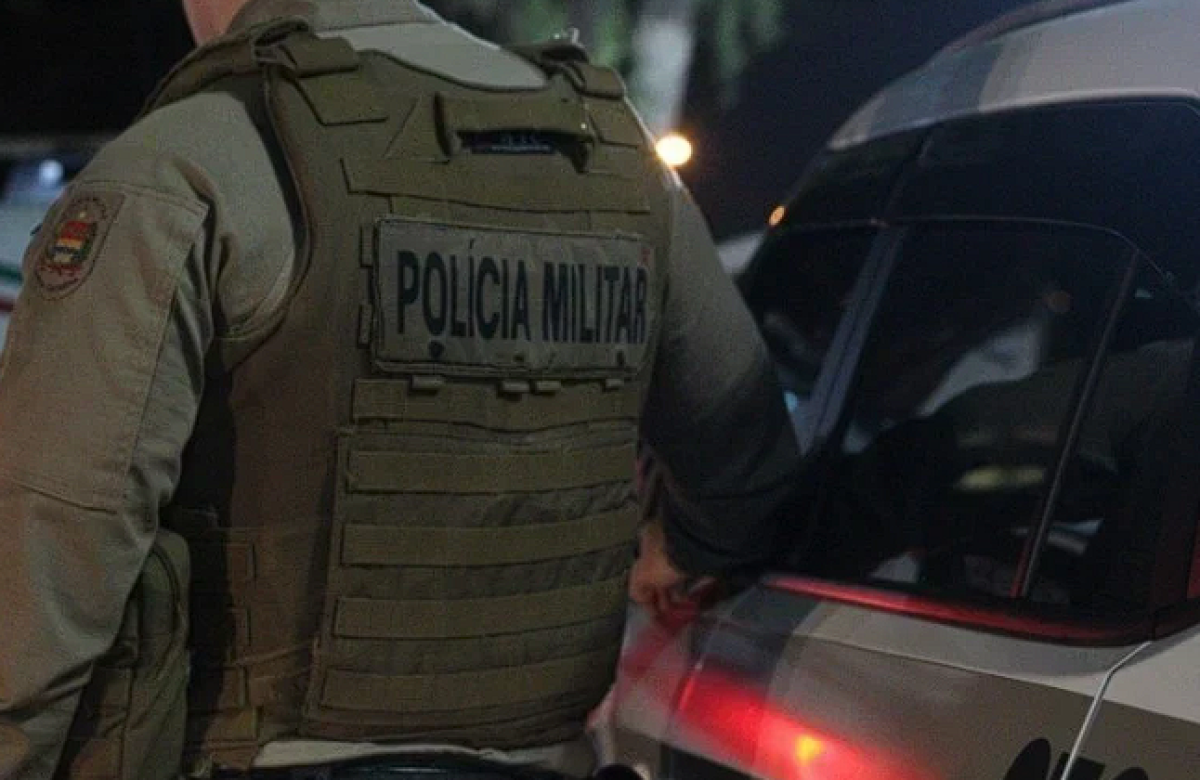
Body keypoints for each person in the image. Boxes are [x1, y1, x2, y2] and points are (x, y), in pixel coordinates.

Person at [0, 2, 799, 779]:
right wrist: (678, 552)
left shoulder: (190, 159)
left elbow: (54, 555)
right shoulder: (615, 158)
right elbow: (747, 472)